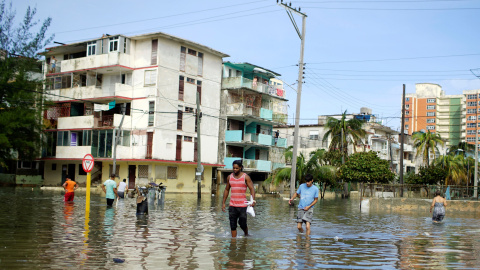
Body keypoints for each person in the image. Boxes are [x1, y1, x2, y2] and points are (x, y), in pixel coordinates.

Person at [222, 160, 256, 237]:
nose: (235, 170)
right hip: (232, 205)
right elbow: (227, 189)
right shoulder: (229, 177)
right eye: (233, 168)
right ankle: (233, 243)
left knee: (242, 223)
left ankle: (246, 234)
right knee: (233, 225)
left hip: (242, 206)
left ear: (240, 167)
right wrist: (223, 203)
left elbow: (252, 189)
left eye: (237, 168)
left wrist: (253, 200)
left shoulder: (245, 177)